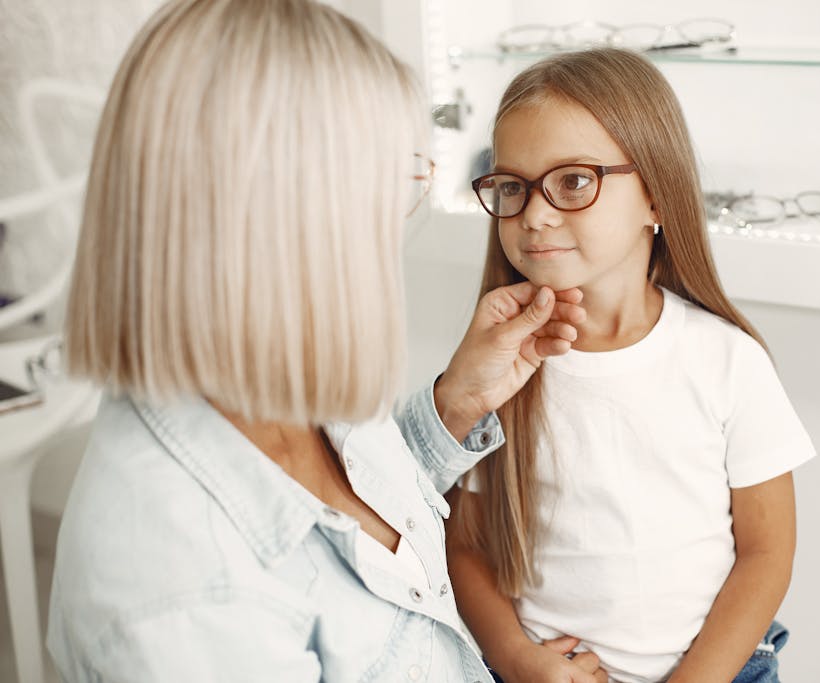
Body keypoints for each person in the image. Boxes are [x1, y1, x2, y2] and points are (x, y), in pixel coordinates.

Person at [46, 1, 588, 681]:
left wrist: (453, 405)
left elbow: (349, 526)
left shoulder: (263, 363)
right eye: (392, 183)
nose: (399, 218)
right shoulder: (186, 600)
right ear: (283, 216)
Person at [447, 48, 817, 683]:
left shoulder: (726, 360)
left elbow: (767, 553)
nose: (534, 214)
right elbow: (469, 547)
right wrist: (515, 659)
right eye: (512, 186)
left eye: (573, 181)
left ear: (657, 198)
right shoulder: (499, 368)